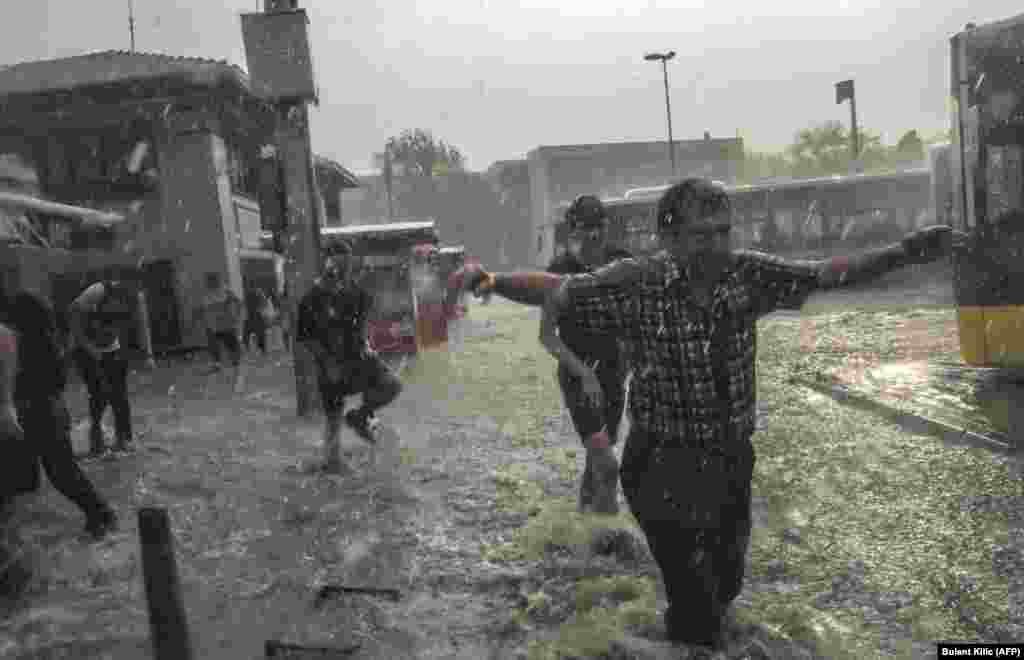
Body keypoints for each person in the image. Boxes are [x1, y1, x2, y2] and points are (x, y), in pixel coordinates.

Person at [451, 178, 964, 649]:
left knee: (726, 586)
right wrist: (491, 280)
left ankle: (680, 630)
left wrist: (907, 251)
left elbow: (829, 274)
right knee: (697, 601)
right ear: (669, 239)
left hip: (731, 459)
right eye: (701, 236)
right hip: (660, 465)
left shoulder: (750, 275)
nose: (716, 247)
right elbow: (554, 289)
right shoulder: (637, 281)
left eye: (722, 233)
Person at [543, 195, 633, 515]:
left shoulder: (623, 263)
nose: (594, 237)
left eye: (599, 228)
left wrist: (631, 362)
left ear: (607, 229)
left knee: (600, 457)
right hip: (577, 377)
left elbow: (638, 319)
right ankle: (609, 538)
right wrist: (584, 373)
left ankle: (586, 524)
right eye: (586, 229)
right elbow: (547, 336)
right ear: (573, 233)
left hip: (614, 375)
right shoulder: (559, 271)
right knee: (607, 464)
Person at [5, 290, 118, 539]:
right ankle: (100, 513)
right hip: (50, 411)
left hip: (37, 414)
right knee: (61, 473)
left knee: (61, 474)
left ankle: (101, 513)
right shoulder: (46, 342)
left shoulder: (23, 344)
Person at [296, 242, 403, 473]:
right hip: (330, 365)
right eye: (339, 264)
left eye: (348, 263)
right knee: (333, 418)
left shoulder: (357, 293)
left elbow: (363, 323)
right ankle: (332, 461)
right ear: (327, 263)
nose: (345, 270)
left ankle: (360, 416)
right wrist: (326, 361)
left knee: (392, 385)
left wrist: (367, 344)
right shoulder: (311, 299)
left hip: (359, 359)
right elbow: (306, 338)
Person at [69, 279, 142, 456]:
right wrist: (88, 347)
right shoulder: (97, 291)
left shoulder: (134, 299)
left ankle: (124, 439)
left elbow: (133, 325)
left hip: (110, 349)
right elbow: (73, 313)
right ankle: (96, 441)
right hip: (86, 348)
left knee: (120, 396)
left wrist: (142, 354)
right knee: (98, 395)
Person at [196, 273, 245, 392]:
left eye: (210, 281)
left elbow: (238, 304)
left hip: (224, 327)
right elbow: (204, 311)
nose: (209, 283)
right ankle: (230, 374)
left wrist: (236, 317)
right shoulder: (209, 294)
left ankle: (236, 378)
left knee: (233, 354)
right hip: (216, 328)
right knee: (224, 353)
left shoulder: (224, 292)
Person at [243, 280, 270, 357]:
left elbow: (264, 303)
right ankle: (262, 349)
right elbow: (264, 303)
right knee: (259, 333)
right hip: (255, 315)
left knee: (248, 333)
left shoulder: (250, 294)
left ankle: (258, 349)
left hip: (252, 315)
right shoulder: (257, 293)